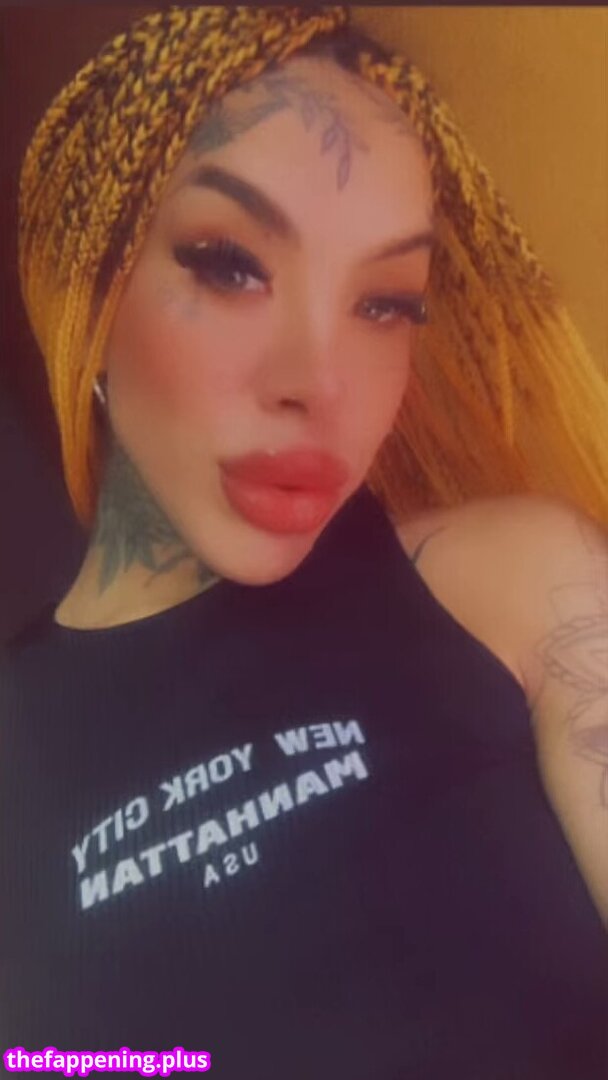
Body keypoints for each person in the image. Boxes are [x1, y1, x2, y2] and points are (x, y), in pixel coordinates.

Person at [1, 6, 607, 1078]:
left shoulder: (515, 584)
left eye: (386, 303)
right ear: (90, 289)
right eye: (229, 263)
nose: (321, 384)